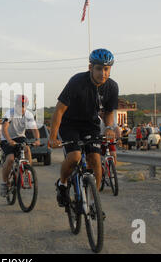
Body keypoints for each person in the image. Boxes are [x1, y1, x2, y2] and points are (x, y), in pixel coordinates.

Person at [49, 48, 118, 212]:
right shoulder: (76, 82)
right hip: (69, 123)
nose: (103, 73)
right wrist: (52, 137)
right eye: (99, 68)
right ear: (90, 68)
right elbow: (59, 110)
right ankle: (63, 183)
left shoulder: (112, 87)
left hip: (90, 124)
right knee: (75, 157)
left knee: (95, 160)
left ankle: (94, 202)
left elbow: (108, 112)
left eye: (106, 69)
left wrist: (108, 127)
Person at [0, 95, 40, 197]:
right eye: (19, 105)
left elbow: (34, 129)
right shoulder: (10, 113)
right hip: (6, 138)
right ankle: (4, 183)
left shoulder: (28, 114)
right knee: (10, 159)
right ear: (15, 105)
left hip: (20, 136)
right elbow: (4, 128)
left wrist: (37, 140)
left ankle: (27, 174)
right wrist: (9, 140)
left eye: (23, 105)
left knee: (27, 149)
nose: (21, 108)